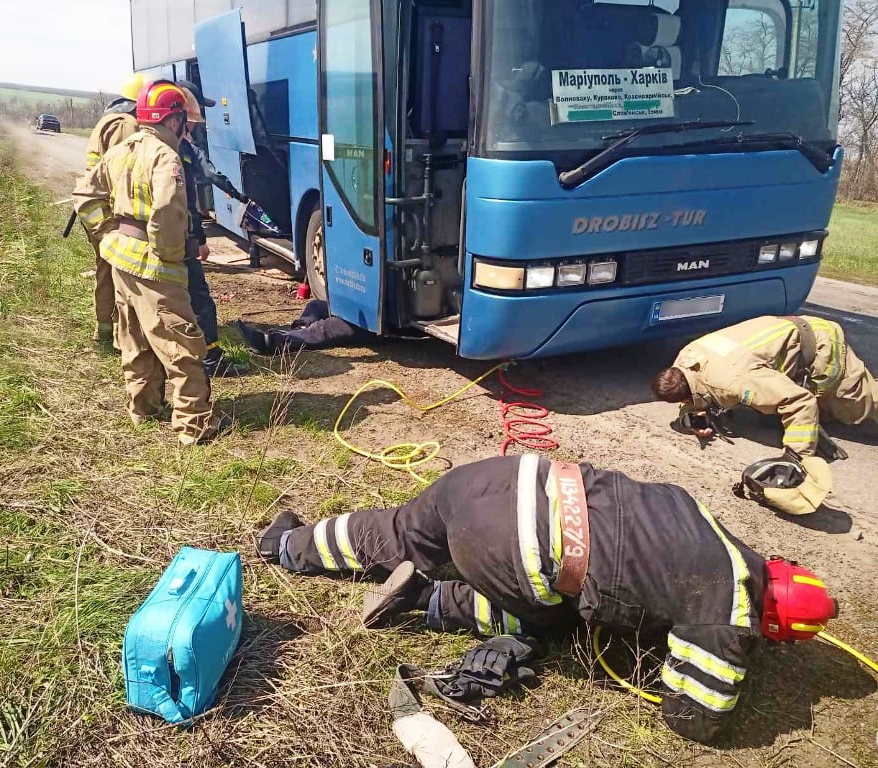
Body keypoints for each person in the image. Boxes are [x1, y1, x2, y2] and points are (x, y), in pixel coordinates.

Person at [255, 454, 838, 744]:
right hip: (515, 547)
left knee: (395, 528)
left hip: (508, 479)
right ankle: (431, 600)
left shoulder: (708, 522)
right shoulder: (727, 616)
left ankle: (285, 544)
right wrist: (736, 658)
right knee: (555, 621)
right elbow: (694, 721)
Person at [73, 80, 228, 445]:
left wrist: (107, 234)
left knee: (136, 337)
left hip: (120, 258)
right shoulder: (165, 157)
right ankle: (194, 425)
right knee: (182, 342)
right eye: (184, 124)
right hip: (154, 263)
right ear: (173, 121)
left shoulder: (121, 150)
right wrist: (171, 257)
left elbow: (84, 195)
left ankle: (143, 407)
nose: (186, 131)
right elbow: (168, 210)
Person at [652, 315, 878, 455]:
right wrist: (692, 415)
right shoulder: (685, 360)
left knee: (857, 406)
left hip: (820, 346)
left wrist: (796, 456)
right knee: (819, 412)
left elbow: (800, 401)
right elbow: (695, 388)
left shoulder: (733, 382)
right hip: (786, 338)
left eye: (684, 403)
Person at [175, 81, 249, 377]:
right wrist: (199, 239)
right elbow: (186, 200)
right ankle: (210, 359)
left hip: (150, 246)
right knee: (200, 300)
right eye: (191, 117)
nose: (194, 124)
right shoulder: (177, 149)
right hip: (174, 241)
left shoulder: (152, 145)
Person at [82, 73, 144, 343]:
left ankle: (105, 330)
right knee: (118, 269)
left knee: (106, 267)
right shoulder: (126, 124)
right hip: (109, 211)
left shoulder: (109, 118)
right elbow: (125, 172)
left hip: (98, 206)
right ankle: (120, 333)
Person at [235, 299, 369, 355]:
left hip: (377, 323)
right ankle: (300, 331)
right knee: (315, 306)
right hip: (360, 307)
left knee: (325, 328)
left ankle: (275, 343)